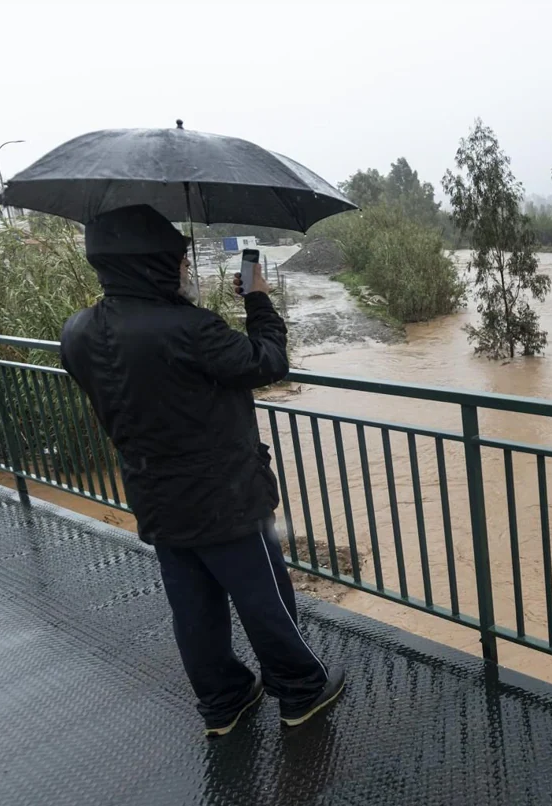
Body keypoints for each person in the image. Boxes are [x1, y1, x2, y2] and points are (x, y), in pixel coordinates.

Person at [60, 204, 345, 737]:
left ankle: (223, 702)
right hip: (225, 498)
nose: (186, 271)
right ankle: (301, 691)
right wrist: (257, 297)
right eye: (179, 261)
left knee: (193, 606)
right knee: (264, 597)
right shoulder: (188, 327)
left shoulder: (77, 331)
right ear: (154, 265)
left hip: (153, 493)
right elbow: (266, 362)